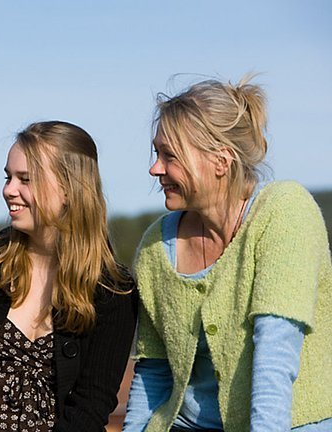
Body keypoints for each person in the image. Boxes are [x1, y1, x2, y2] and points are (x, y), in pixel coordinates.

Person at [123, 76, 332, 432]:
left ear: (221, 161)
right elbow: (153, 369)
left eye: (169, 156)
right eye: (156, 154)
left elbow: (275, 358)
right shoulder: (156, 245)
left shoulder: (284, 212)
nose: (155, 168)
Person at [0, 121, 138, 431]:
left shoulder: (113, 291)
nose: (9, 190)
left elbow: (92, 402)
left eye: (25, 180)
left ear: (70, 189)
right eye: (8, 177)